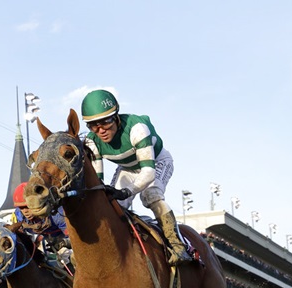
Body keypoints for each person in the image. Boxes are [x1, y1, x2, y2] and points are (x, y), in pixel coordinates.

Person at [81, 89, 191, 266]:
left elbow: (148, 173)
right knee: (112, 205)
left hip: (156, 162)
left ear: (116, 117)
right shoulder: (92, 141)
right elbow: (97, 184)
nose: (101, 130)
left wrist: (127, 191)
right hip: (128, 168)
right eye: (93, 125)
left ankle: (177, 244)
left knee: (151, 195)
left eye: (106, 122)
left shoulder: (137, 129)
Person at [11, 182, 72, 268]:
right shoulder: (18, 217)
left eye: (27, 206)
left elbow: (74, 237)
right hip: (45, 240)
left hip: (66, 237)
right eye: (21, 208)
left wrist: (64, 243)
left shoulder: (56, 213)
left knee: (65, 256)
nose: (25, 211)